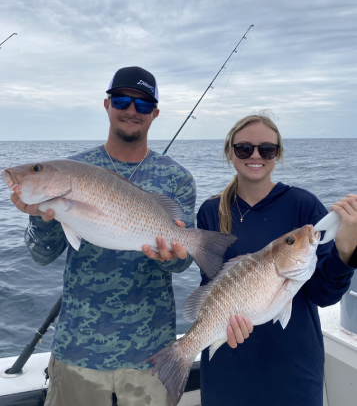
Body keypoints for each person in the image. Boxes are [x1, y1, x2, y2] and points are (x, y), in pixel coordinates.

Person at [10, 66, 196, 406]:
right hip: (76, 351)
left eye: (142, 105)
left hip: (151, 355)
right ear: (107, 105)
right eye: (123, 100)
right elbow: (42, 255)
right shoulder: (72, 167)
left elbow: (182, 266)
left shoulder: (177, 179)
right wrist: (41, 218)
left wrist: (176, 257)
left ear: (154, 113)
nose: (131, 110)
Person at [197, 112, 357, 406]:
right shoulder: (210, 211)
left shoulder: (303, 204)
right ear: (230, 152)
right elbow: (211, 286)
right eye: (244, 148)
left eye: (266, 149)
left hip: (293, 367)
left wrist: (345, 254)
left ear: (278, 154)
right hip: (227, 367)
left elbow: (323, 294)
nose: (255, 156)